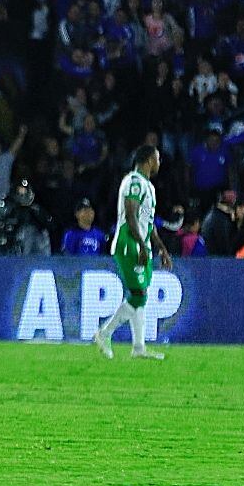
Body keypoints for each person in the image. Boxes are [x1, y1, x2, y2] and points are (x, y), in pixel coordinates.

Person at [93, 145, 173, 361]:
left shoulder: (148, 186)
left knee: (141, 295)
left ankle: (139, 348)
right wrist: (139, 245)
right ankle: (104, 333)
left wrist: (161, 248)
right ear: (148, 160)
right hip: (129, 242)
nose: (159, 162)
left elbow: (147, 222)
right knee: (138, 294)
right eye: (157, 158)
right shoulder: (134, 182)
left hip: (141, 243)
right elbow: (130, 215)